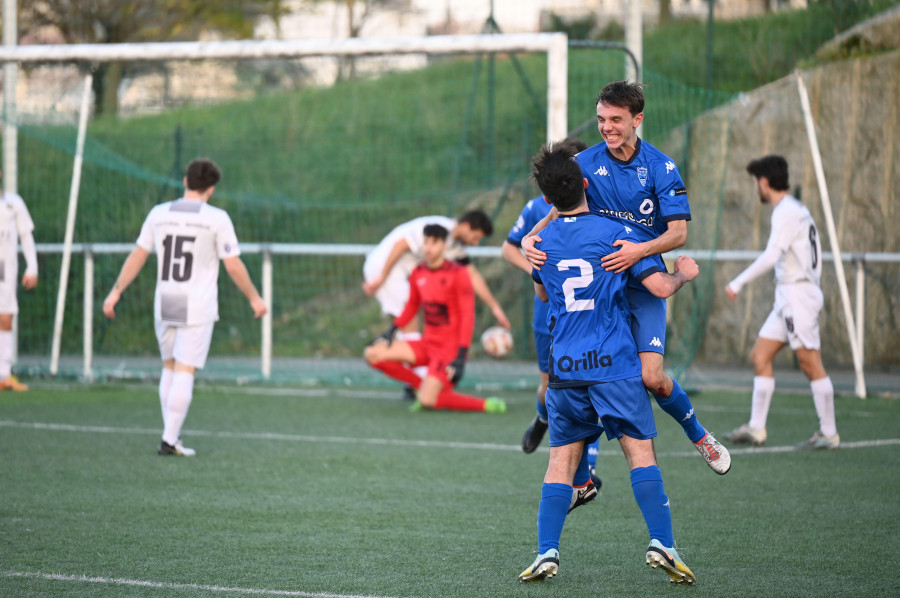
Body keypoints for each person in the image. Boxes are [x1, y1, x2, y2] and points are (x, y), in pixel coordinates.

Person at [522, 80, 730, 475]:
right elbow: (557, 214)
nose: (607, 127)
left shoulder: (660, 167)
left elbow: (678, 233)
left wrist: (638, 251)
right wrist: (531, 241)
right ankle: (582, 477)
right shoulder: (585, 163)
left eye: (616, 119)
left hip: (644, 280)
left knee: (652, 378)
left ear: (638, 119)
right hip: (603, 291)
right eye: (601, 119)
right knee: (594, 375)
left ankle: (698, 433)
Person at [518, 141, 698, 585]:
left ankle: (546, 552)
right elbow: (657, 288)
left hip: (564, 370)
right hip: (612, 365)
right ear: (585, 184)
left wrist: (534, 245)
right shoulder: (614, 233)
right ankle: (662, 543)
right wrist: (682, 276)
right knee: (639, 452)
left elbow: (542, 294)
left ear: (547, 199)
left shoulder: (540, 242)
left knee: (560, 462)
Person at [103, 158, 267, 456]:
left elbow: (138, 255)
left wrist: (115, 292)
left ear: (184, 181)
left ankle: (171, 436)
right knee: (185, 369)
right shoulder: (217, 218)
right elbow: (233, 265)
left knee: (170, 366)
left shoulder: (159, 213)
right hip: (197, 303)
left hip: (166, 298)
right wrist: (255, 298)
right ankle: (169, 439)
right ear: (212, 189)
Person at [723, 155, 839, 449]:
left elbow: (772, 256)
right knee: (760, 356)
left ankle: (829, 433)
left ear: (764, 182)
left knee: (809, 362)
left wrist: (738, 281)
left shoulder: (785, 211)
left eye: (755, 183)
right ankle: (756, 429)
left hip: (798, 296)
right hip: (789, 296)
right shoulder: (794, 209)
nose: (755, 189)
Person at [501, 140, 589, 454]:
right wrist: (537, 270)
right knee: (550, 387)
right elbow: (509, 248)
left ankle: (587, 467)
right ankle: (542, 418)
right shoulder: (538, 207)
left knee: (590, 388)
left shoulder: (600, 206)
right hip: (550, 313)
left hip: (592, 314)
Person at [362, 210, 510, 398]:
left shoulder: (453, 247)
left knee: (411, 324)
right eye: (475, 237)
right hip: (385, 268)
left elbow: (472, 275)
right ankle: (419, 383)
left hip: (400, 274)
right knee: (411, 325)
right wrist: (381, 277)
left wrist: (495, 307)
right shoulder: (439, 229)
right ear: (466, 226)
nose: (475, 243)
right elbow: (400, 245)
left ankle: (421, 381)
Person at [0, 168, 38, 391]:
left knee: (5, 318)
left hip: (5, 270)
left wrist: (32, 267)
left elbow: (26, 235)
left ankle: (4, 374)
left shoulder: (14, 203)